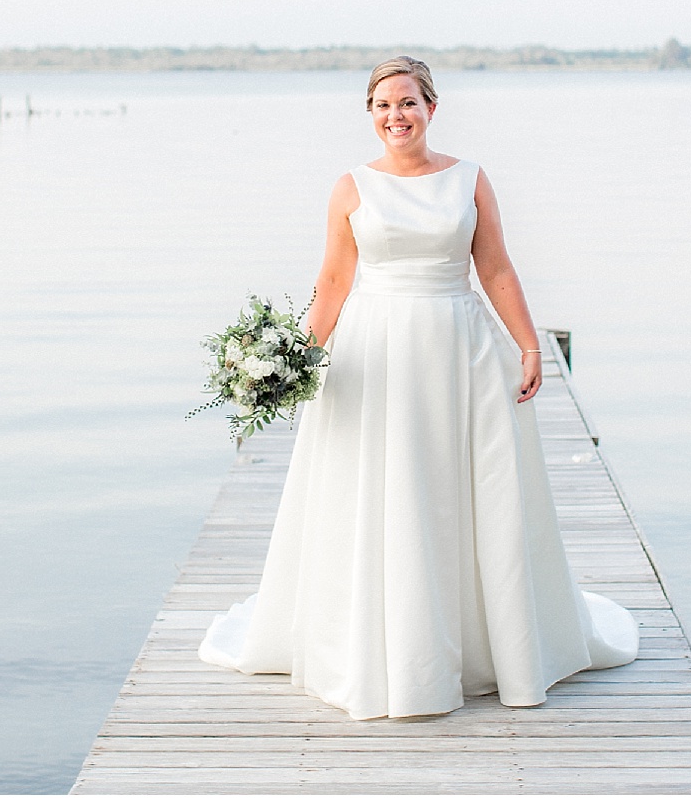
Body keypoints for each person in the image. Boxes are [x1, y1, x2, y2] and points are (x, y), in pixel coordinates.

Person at [197, 56, 637, 720]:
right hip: (375, 354)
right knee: (388, 488)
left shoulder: (469, 180)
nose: (395, 115)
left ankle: (481, 642)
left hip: (460, 347)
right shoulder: (350, 187)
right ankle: (388, 647)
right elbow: (333, 284)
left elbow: (495, 266)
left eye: (407, 102)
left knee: (458, 490)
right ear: (369, 114)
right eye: (381, 105)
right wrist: (291, 362)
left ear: (432, 107)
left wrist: (526, 342)